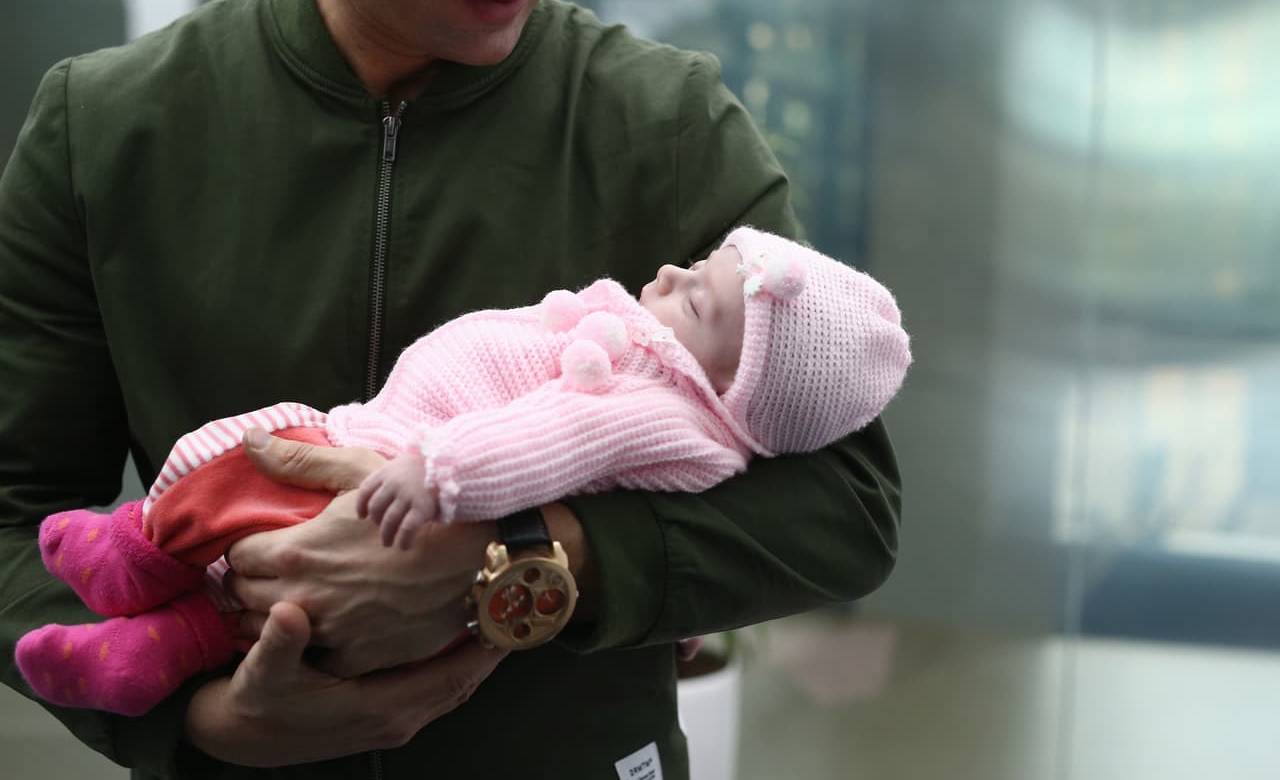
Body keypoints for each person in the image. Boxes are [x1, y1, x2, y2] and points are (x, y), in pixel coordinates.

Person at [0, 0, 905, 780]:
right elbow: (13, 507)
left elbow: (844, 504)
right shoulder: (106, 126)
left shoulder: (664, 122)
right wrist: (203, 723)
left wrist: (522, 560)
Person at [15, 227, 911, 717]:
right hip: (393, 464)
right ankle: (151, 655)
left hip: (397, 464)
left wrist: (443, 477)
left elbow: (551, 435)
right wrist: (207, 733)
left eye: (698, 293)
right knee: (258, 612)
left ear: (735, 385)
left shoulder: (656, 400)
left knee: (244, 462)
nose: (671, 270)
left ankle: (143, 545)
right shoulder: (673, 364)